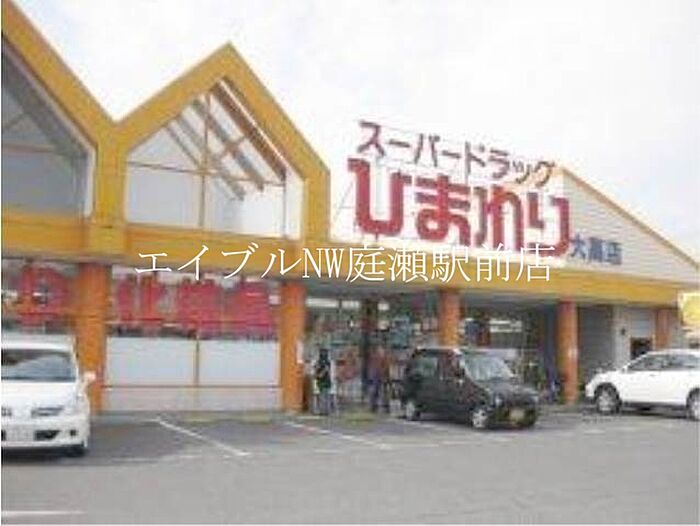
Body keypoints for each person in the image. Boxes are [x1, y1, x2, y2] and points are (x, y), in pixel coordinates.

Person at [368, 346, 390, 413]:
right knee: (376, 391)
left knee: (381, 391)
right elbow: (373, 366)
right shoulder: (375, 357)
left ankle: (383, 406)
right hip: (377, 376)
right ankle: (375, 406)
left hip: (381, 376)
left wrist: (383, 373)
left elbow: (386, 366)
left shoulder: (383, 357)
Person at [313, 348, 333, 415]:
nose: (323, 354)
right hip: (323, 381)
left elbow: (326, 370)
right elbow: (316, 369)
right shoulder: (320, 362)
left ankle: (325, 411)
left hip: (325, 380)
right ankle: (324, 410)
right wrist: (317, 375)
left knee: (324, 396)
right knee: (323, 396)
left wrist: (319, 375)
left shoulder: (326, 362)